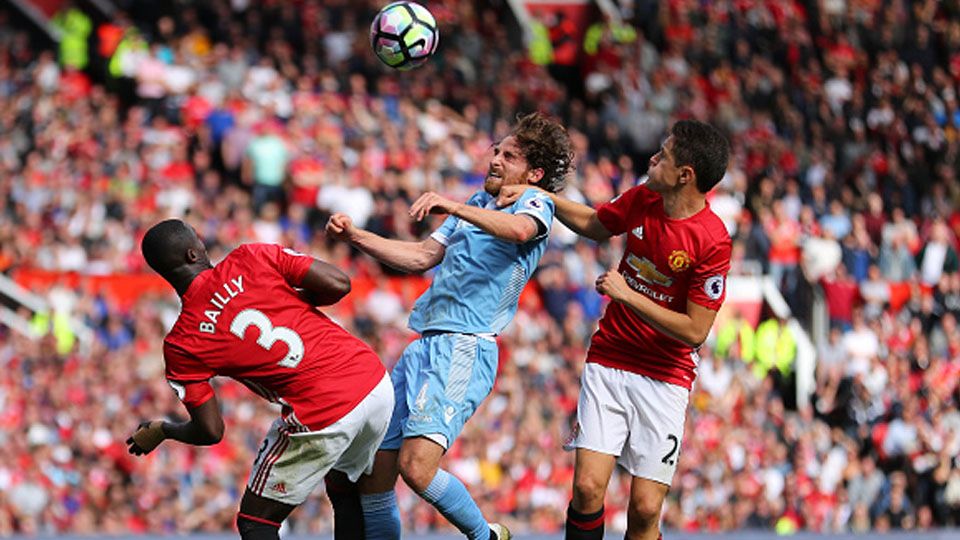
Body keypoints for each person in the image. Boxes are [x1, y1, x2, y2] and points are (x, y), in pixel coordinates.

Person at [325, 112, 574, 540]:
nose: (495, 159)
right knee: (375, 474)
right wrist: (356, 237)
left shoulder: (535, 204)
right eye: (496, 150)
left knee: (417, 468)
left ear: (533, 173)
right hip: (423, 345)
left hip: (464, 347)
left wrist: (452, 204)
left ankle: (485, 536)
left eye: (509, 155)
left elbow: (518, 231)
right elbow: (422, 256)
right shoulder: (477, 204)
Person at [498, 119, 731, 540]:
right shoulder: (644, 197)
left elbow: (696, 330)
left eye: (663, 154)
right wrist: (542, 196)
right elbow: (595, 224)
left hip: (665, 376)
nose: (653, 158)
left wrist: (628, 295)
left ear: (686, 175)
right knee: (587, 488)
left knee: (644, 510)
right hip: (611, 356)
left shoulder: (712, 240)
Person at [127, 219, 393, 540]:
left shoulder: (182, 344)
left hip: (324, 408)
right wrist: (289, 302)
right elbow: (338, 283)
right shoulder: (249, 257)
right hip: (371, 379)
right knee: (344, 488)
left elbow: (211, 431)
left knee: (256, 522)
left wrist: (163, 430)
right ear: (193, 254)